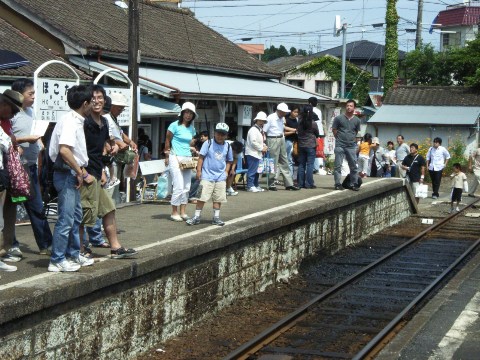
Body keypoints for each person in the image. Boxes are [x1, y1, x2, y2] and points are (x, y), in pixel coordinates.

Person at [48, 85, 92, 272]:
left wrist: (79, 171)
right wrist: (80, 171)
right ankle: (57, 259)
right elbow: (64, 149)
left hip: (71, 172)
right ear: (85, 103)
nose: (93, 104)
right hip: (67, 173)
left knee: (75, 216)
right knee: (66, 219)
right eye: (91, 101)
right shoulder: (70, 122)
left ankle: (72, 254)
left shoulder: (74, 120)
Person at [8, 78, 53, 258]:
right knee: (9, 208)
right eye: (30, 94)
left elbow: (33, 133)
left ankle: (46, 244)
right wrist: (26, 139)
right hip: (15, 168)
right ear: (19, 95)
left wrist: (39, 140)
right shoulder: (11, 115)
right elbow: (7, 139)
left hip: (31, 167)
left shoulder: (30, 111)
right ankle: (11, 244)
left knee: (37, 207)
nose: (34, 97)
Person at [186, 123, 233, 226]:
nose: (220, 136)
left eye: (223, 134)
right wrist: (199, 171)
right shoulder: (208, 143)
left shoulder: (228, 146)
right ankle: (197, 217)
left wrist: (226, 172)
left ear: (226, 135)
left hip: (220, 177)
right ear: (214, 133)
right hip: (206, 176)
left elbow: (229, 161)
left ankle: (216, 218)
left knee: (218, 198)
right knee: (201, 197)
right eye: (218, 133)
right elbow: (201, 158)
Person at [165, 102, 197, 221]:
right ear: (182, 113)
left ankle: (183, 211)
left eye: (191, 113)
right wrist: (167, 156)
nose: (188, 115)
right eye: (186, 112)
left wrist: (192, 146)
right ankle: (174, 212)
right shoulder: (174, 125)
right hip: (175, 156)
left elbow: (189, 142)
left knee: (187, 186)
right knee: (178, 185)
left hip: (187, 157)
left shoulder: (192, 129)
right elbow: (167, 140)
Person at [0, 93, 21, 272]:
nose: (13, 114)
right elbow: (7, 143)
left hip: (5, 174)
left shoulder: (7, 122)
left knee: (5, 216)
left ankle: (3, 250)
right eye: (12, 109)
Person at [104, 93, 137, 189]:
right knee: (111, 188)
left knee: (115, 186)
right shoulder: (106, 118)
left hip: (118, 157)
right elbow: (108, 136)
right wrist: (119, 143)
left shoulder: (113, 119)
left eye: (122, 109)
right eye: (119, 108)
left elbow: (121, 133)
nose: (121, 111)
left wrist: (130, 142)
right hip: (110, 157)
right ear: (112, 106)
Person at [263, 103, 299, 191]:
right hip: (272, 139)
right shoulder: (271, 117)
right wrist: (264, 143)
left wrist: (292, 130)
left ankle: (289, 184)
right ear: (279, 111)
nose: (285, 114)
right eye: (284, 112)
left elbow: (282, 127)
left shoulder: (282, 118)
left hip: (281, 138)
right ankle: (271, 183)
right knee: (273, 162)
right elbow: (264, 131)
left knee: (284, 161)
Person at [332, 99, 361, 191]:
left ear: (354, 108)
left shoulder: (357, 120)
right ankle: (337, 183)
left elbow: (356, 132)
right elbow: (334, 130)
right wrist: (340, 139)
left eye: (351, 106)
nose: (349, 107)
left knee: (353, 165)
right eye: (347, 105)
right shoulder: (338, 118)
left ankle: (354, 183)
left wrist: (351, 139)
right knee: (338, 165)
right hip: (340, 144)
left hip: (351, 146)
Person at [297, 105, 319, 189]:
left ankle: (300, 183)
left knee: (301, 164)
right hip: (311, 145)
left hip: (301, 144)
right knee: (310, 164)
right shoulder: (313, 123)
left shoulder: (299, 121)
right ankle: (309, 183)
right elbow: (317, 133)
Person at [245, 111, 268, 193]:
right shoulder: (253, 130)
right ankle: (250, 186)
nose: (262, 122)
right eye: (260, 120)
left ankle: (255, 185)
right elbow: (253, 142)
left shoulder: (260, 130)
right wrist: (262, 148)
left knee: (257, 171)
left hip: (258, 153)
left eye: (263, 121)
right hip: (252, 153)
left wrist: (264, 146)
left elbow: (262, 141)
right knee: (252, 171)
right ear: (256, 120)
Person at [189, 131, 209, 202]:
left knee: (201, 178)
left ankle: (197, 196)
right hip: (186, 170)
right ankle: (192, 196)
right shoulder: (186, 147)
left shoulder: (207, 144)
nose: (201, 138)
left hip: (191, 169)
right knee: (199, 178)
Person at [283, 104, 299, 178]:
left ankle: (292, 177)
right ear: (291, 111)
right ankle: (290, 177)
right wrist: (293, 131)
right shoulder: (286, 120)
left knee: (292, 160)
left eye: (297, 112)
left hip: (295, 141)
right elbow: (284, 133)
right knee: (288, 159)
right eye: (295, 112)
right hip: (288, 141)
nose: (296, 113)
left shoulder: (297, 120)